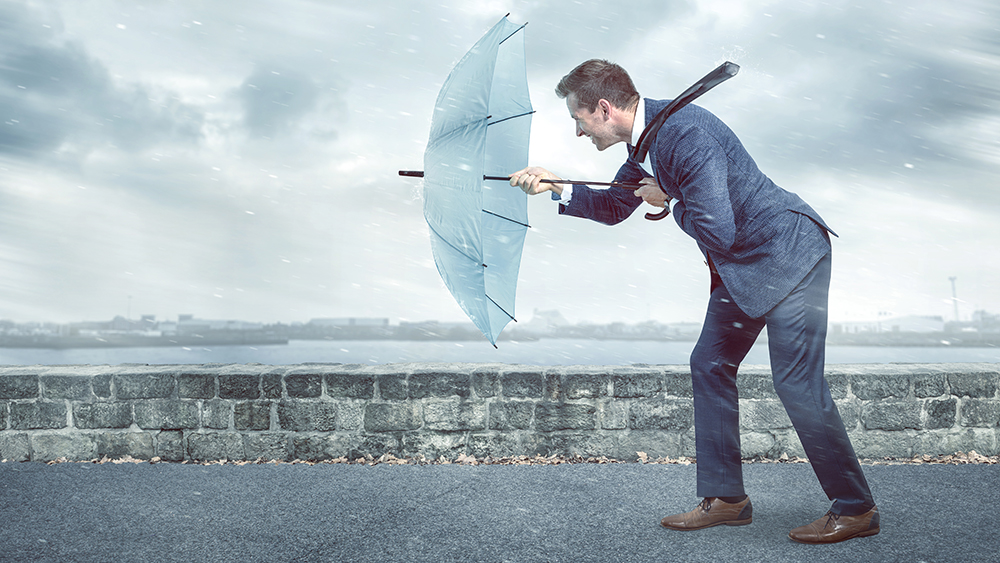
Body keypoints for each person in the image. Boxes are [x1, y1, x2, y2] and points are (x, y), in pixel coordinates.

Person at [509, 59, 878, 544]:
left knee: (796, 385)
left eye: (577, 120)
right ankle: (726, 499)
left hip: (789, 257)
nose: (578, 133)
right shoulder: (645, 144)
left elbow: (717, 230)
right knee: (709, 363)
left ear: (603, 109)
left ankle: (856, 509)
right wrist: (558, 187)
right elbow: (616, 205)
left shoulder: (685, 135)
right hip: (743, 267)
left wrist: (669, 203)